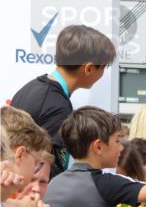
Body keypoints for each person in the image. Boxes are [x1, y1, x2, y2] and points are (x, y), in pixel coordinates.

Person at [10, 25, 116, 176]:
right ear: (89, 68)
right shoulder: (58, 106)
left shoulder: (30, 88)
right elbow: (51, 169)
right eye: (103, 67)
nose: (103, 73)